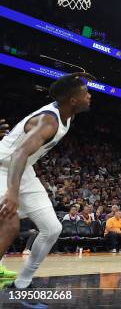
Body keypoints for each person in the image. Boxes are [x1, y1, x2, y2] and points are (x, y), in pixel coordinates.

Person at [0, 73, 93, 288]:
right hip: (5, 166)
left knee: (52, 228)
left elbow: (63, 88)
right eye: (85, 93)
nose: (89, 96)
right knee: (9, 222)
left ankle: (22, 282)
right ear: (73, 100)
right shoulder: (49, 121)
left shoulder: (68, 113)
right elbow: (19, 155)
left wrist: (76, 77)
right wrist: (12, 192)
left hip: (24, 171)